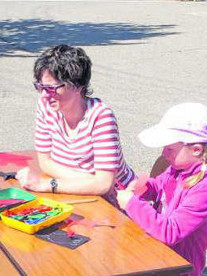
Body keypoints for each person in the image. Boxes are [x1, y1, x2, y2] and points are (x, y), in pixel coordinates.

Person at [16, 44, 135, 207]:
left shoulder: (100, 116)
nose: (44, 95)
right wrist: (90, 182)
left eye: (51, 88)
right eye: (40, 87)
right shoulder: (46, 106)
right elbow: (45, 162)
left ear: (78, 85)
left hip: (119, 202)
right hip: (80, 194)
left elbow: (104, 185)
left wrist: (48, 184)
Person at [117, 103, 207, 276]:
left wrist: (132, 204)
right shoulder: (178, 169)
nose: (164, 153)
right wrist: (145, 187)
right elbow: (160, 186)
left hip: (177, 275)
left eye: (170, 149)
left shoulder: (206, 189)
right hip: (158, 260)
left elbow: (170, 231)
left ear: (197, 150)